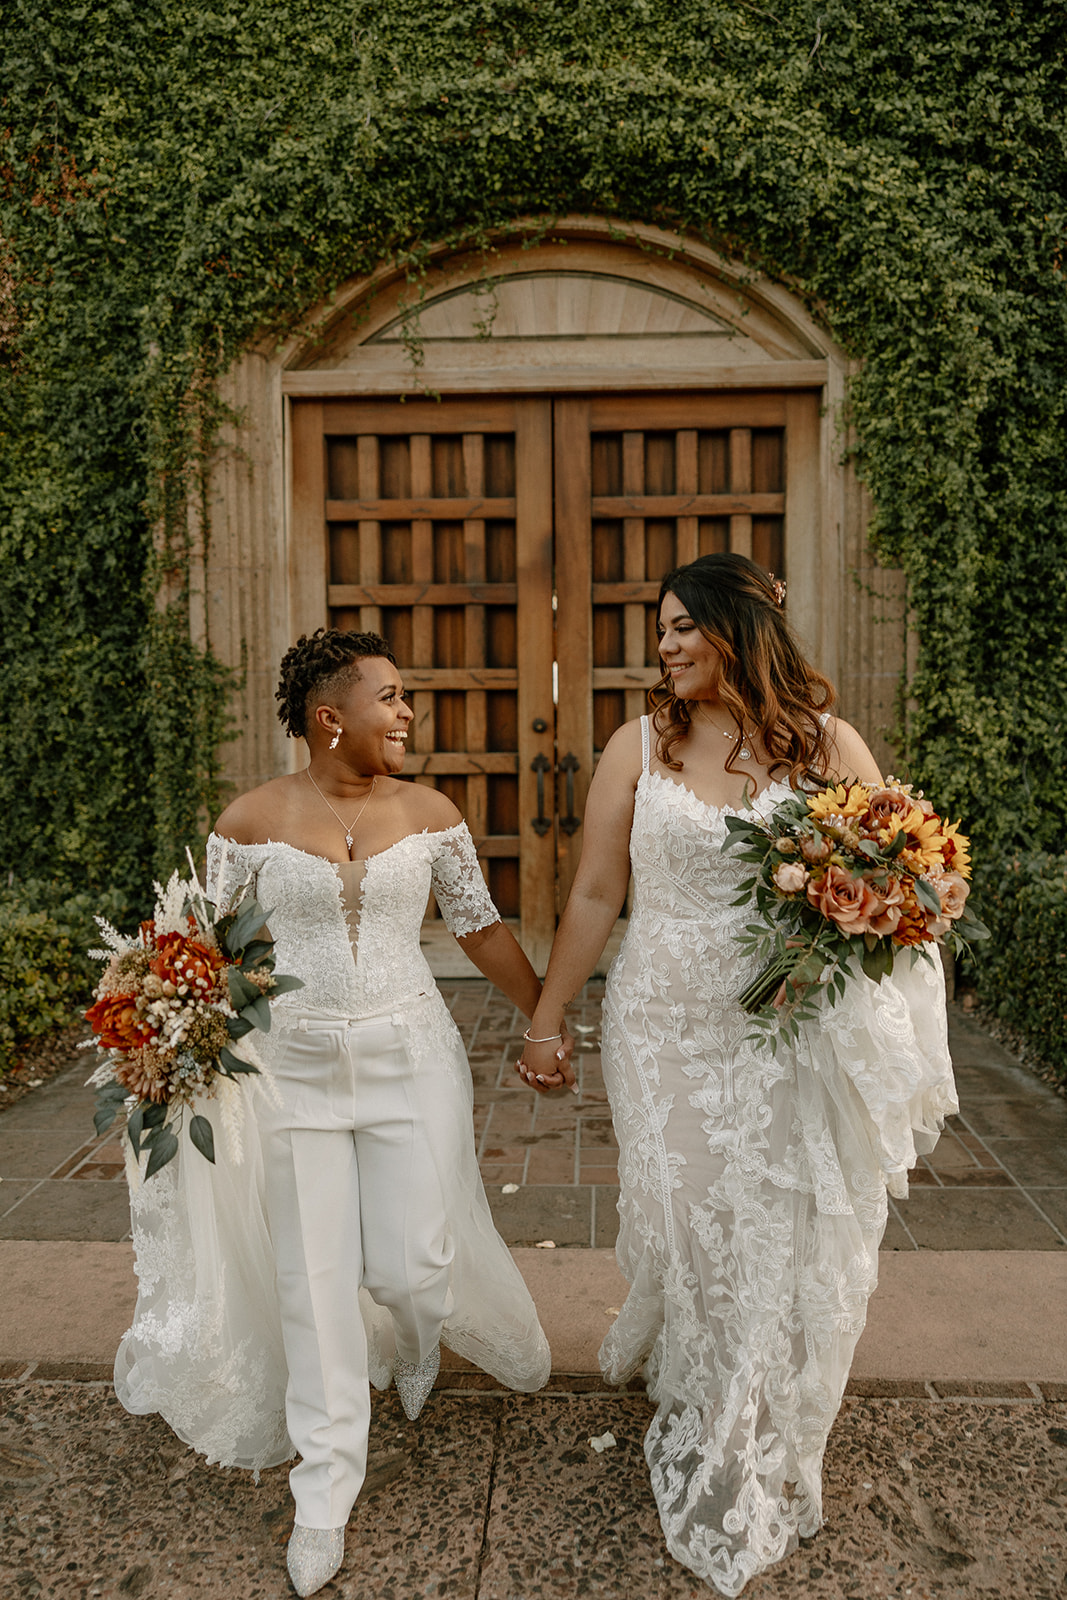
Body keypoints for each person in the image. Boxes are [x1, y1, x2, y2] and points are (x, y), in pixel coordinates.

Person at [518, 554, 956, 1595]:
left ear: (734, 628)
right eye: (657, 629)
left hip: (784, 1023)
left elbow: (907, 878)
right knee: (692, 1217)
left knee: (772, 1224)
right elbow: (592, 892)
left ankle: (744, 1438)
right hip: (661, 1022)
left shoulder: (825, 745)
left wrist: (863, 928)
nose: (661, 646)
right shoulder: (636, 744)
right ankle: (705, 1372)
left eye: (679, 627)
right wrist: (548, 1014)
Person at [115, 629, 558, 1597]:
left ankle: (415, 1330)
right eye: (391, 698)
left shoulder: (431, 812)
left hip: (412, 1058)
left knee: (413, 1260)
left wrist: (545, 1020)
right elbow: (205, 950)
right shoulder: (250, 819)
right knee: (312, 1281)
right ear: (331, 717)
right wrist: (165, 1034)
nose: (406, 715)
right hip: (291, 1070)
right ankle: (324, 1492)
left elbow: (478, 926)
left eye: (405, 700)